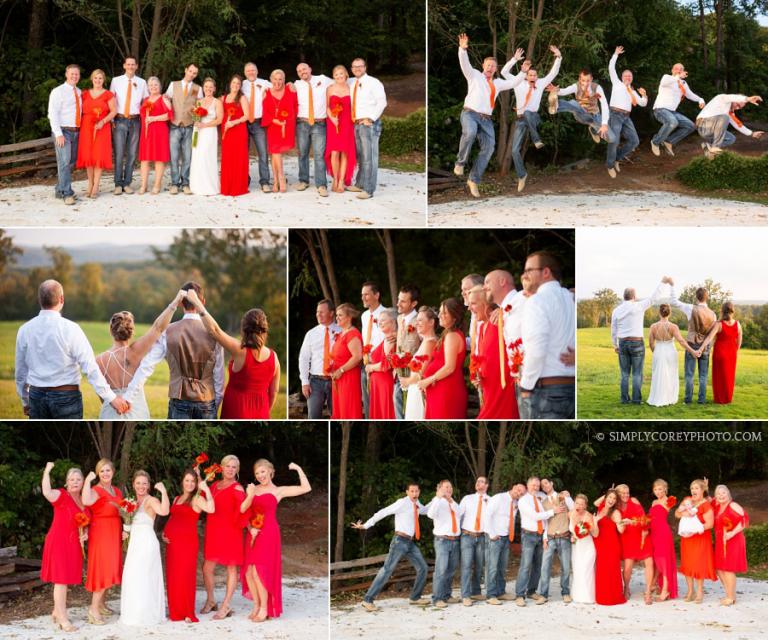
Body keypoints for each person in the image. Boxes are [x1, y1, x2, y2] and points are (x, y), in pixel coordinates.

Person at [15, 279, 129, 419]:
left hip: (36, 398)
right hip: (66, 398)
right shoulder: (71, 329)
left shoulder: (24, 330)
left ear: (39, 300)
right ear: (61, 299)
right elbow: (89, 367)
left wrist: (25, 400)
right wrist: (111, 398)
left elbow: (20, 372)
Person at [125, 281, 225, 419]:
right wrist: (215, 403)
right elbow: (219, 377)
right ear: (203, 302)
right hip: (207, 402)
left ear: (180, 303)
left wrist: (128, 397)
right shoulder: (215, 334)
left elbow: (147, 365)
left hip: (179, 402)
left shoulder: (168, 331)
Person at [185, 290, 280, 419]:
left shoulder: (239, 349)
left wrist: (196, 302)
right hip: (262, 413)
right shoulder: (274, 358)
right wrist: (263, 412)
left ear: (244, 328)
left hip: (236, 411)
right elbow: (274, 392)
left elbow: (214, 331)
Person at [454, 33, 525, 196]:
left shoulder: (498, 83)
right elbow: (464, 64)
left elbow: (513, 82)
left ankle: (473, 179)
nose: (490, 68)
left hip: (486, 120)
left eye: (493, 66)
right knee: (470, 132)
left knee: (489, 148)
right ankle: (460, 163)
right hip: (470, 114)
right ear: (483, 65)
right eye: (488, 65)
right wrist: (463, 49)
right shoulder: (474, 76)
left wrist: (520, 68)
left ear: (496, 69)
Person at [95, 291, 186, 419]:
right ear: (131, 332)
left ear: (111, 330)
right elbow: (158, 328)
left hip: (109, 412)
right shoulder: (135, 351)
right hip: (136, 410)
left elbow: (102, 394)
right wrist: (175, 302)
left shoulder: (98, 360)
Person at [240, 459, 311, 621]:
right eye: (257, 473)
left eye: (263, 471)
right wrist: (250, 529)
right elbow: (244, 512)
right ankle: (257, 605)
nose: (260, 476)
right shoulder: (252, 489)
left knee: (260, 572)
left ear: (271, 471)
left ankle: (265, 609)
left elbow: (306, 488)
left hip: (268, 533)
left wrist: (298, 468)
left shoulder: (278, 491)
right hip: (252, 533)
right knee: (249, 572)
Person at [351, 482, 430, 611]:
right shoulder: (402, 503)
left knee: (423, 567)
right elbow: (384, 512)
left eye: (416, 491)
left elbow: (425, 510)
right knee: (387, 570)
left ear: (419, 492)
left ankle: (415, 597)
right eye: (412, 491)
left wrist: (438, 498)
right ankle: (367, 600)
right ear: (407, 492)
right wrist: (365, 525)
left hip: (410, 542)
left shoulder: (417, 504)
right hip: (399, 541)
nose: (415, 494)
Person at [518, 252, 575, 419]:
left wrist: (526, 386)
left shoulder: (537, 301)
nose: (525, 275)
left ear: (546, 272)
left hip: (548, 391)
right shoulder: (571, 298)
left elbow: (537, 349)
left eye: (529, 270)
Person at [503, 45, 562, 192]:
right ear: (526, 75)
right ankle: (522, 175)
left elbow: (553, 73)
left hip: (533, 117)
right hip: (521, 120)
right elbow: (504, 72)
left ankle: (536, 140)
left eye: (535, 75)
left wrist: (558, 57)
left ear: (537, 77)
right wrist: (514, 60)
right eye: (530, 75)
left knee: (529, 112)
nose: (533, 78)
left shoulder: (540, 83)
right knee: (515, 151)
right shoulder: (517, 82)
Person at [41, 462, 89, 632]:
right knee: (61, 581)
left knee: (65, 580)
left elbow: (85, 524)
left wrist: (86, 533)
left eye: (78, 479)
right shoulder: (61, 496)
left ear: (83, 482)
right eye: (72, 479)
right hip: (58, 542)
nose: (75, 482)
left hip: (73, 545)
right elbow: (46, 491)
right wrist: (47, 471)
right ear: (66, 483)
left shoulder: (84, 501)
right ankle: (62, 618)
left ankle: (56, 611)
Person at [164, 468, 214, 623]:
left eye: (193, 481)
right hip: (172, 545)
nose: (190, 484)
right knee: (174, 576)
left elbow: (211, 509)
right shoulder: (177, 498)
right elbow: (173, 517)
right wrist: (164, 533)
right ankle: (176, 611)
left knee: (186, 576)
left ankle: (187, 611)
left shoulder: (197, 498)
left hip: (187, 543)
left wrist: (207, 490)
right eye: (187, 480)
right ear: (182, 482)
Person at [119, 470, 169, 626]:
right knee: (133, 577)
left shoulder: (151, 500)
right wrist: (125, 531)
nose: (141, 486)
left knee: (145, 577)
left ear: (149, 486)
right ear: (133, 484)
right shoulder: (131, 502)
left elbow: (164, 511)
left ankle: (146, 614)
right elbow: (129, 522)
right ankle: (134, 612)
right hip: (134, 544)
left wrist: (164, 492)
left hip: (147, 543)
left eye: (144, 483)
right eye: (138, 483)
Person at [202, 455, 246, 619]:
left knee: (231, 568)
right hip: (214, 531)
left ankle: (226, 605)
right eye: (227, 466)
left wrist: (251, 526)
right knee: (207, 568)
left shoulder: (237, 488)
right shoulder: (213, 485)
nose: (230, 469)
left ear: (237, 470)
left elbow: (244, 510)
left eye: (234, 467)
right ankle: (211, 600)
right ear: (221, 467)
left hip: (231, 533)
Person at [81, 459, 125, 625]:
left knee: (111, 567)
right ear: (98, 473)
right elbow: (85, 500)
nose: (105, 474)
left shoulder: (116, 490)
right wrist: (87, 480)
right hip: (101, 532)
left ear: (113, 472)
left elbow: (123, 510)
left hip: (114, 531)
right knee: (103, 569)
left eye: (108, 470)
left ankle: (100, 604)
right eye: (102, 471)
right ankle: (93, 609)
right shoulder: (95, 489)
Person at [610, 278, 665, 404]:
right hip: (637, 343)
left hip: (623, 343)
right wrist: (662, 283)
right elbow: (653, 298)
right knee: (637, 373)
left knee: (624, 374)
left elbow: (614, 329)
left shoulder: (616, 310)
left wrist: (615, 344)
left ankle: (624, 399)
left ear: (624, 297)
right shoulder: (639, 306)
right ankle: (636, 400)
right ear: (634, 296)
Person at [515, 477, 564, 606]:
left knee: (538, 566)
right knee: (526, 566)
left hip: (541, 535)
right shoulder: (523, 500)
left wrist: (545, 536)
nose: (535, 488)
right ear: (528, 485)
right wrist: (553, 511)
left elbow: (545, 519)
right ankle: (519, 595)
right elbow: (535, 516)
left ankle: (531, 591)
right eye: (533, 485)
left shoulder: (541, 497)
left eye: (537, 486)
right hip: (529, 535)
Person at [473, 284, 518, 419]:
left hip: (503, 389)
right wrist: (478, 376)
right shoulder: (481, 328)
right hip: (488, 390)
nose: (469, 308)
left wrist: (502, 310)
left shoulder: (501, 320)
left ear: (485, 304)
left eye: (473, 304)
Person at [418, 298, 467, 418]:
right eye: (440, 312)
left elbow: (449, 367)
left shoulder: (452, 336)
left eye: (444, 313)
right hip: (439, 390)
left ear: (454, 317)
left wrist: (428, 380)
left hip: (446, 391)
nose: (439, 315)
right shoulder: (447, 334)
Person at [669, 280, 717, 404]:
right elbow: (711, 335)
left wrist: (672, 286)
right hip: (705, 346)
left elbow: (674, 301)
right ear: (707, 298)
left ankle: (688, 400)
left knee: (689, 374)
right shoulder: (713, 314)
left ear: (696, 297)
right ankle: (701, 400)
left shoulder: (690, 308)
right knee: (703, 375)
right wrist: (707, 347)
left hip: (691, 344)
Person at [346, 58, 387, 199]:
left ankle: (369, 190)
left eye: (360, 66)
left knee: (370, 157)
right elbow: (334, 79)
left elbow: (382, 102)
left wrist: (371, 118)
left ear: (365, 67)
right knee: (362, 156)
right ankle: (360, 184)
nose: (357, 69)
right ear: (351, 69)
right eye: (354, 67)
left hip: (369, 124)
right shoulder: (351, 82)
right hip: (356, 123)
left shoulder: (374, 82)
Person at [605, 46, 647, 177]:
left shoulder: (633, 91)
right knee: (614, 141)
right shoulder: (617, 83)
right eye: (626, 75)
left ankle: (617, 158)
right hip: (615, 115)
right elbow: (611, 68)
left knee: (635, 141)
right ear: (622, 77)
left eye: (630, 76)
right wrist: (616, 54)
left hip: (626, 117)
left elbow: (642, 103)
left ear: (632, 78)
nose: (628, 77)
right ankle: (610, 165)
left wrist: (644, 95)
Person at [110, 56, 149, 194]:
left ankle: (127, 183)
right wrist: (111, 120)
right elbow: (111, 101)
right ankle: (117, 184)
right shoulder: (116, 81)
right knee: (119, 153)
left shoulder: (142, 82)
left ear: (136, 66)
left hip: (135, 120)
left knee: (132, 154)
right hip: (120, 120)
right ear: (124, 66)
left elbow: (146, 102)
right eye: (128, 64)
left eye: (133, 64)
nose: (131, 66)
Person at [647, 303, 699, 407]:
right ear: (669, 313)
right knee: (670, 374)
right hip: (670, 352)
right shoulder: (673, 327)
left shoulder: (653, 326)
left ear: (659, 313)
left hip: (658, 351)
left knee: (658, 374)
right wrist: (692, 351)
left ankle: (658, 397)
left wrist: (656, 352)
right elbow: (682, 341)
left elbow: (651, 343)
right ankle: (669, 398)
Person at [76, 68, 116, 198]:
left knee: (98, 155)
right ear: (92, 79)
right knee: (89, 156)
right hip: (86, 127)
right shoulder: (85, 94)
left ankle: (96, 186)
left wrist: (103, 121)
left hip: (101, 127)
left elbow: (114, 111)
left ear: (103, 80)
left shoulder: (108, 94)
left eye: (100, 78)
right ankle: (90, 184)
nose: (98, 80)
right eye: (95, 78)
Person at [650, 62, 705, 157]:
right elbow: (664, 83)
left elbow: (690, 94)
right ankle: (655, 142)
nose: (678, 70)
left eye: (680, 69)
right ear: (672, 70)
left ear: (683, 71)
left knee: (691, 126)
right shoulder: (667, 77)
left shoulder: (683, 83)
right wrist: (677, 77)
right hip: (660, 109)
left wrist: (700, 99)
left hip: (672, 112)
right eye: (676, 68)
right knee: (673, 122)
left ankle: (669, 142)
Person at [295, 62, 332, 196]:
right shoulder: (296, 85)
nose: (302, 71)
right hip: (302, 124)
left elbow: (341, 82)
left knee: (319, 155)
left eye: (304, 68)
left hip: (319, 124)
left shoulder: (324, 80)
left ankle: (321, 184)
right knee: (302, 153)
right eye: (299, 71)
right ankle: (303, 180)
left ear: (310, 68)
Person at [676, 478, 716, 602]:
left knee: (698, 564)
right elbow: (677, 513)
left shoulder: (706, 505)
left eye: (696, 488)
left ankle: (699, 592)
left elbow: (710, 524)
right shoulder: (687, 500)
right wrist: (683, 514)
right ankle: (690, 591)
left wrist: (695, 528)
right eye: (692, 488)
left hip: (700, 538)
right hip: (687, 539)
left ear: (702, 490)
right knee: (687, 563)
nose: (693, 490)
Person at [484, 483, 525, 605]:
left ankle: (500, 592)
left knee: (502, 567)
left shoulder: (516, 503)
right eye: (518, 490)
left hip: (506, 538)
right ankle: (491, 595)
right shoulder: (498, 498)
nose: (519, 493)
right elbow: (487, 515)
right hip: (495, 537)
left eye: (522, 493)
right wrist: (491, 534)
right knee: (492, 567)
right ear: (513, 487)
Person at [165, 63, 203, 194]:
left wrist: (197, 117)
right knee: (174, 156)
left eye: (195, 73)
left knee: (187, 156)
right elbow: (166, 99)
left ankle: (185, 183)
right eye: (190, 71)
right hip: (175, 125)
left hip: (189, 126)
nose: (192, 74)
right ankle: (175, 183)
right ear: (185, 70)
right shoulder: (173, 85)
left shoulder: (198, 88)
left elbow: (200, 107)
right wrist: (168, 113)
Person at [535, 479, 575, 604]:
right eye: (542, 485)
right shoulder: (543, 502)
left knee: (566, 567)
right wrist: (545, 538)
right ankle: (543, 594)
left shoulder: (564, 496)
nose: (544, 486)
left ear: (552, 483)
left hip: (564, 537)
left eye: (546, 483)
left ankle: (565, 592)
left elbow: (573, 513)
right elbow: (545, 522)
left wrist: (573, 532)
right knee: (545, 567)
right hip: (550, 538)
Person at [299, 299, 340, 418]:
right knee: (313, 417)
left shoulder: (341, 331)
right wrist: (304, 382)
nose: (318, 315)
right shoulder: (311, 334)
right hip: (315, 382)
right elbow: (304, 358)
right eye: (317, 312)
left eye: (322, 312)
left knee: (337, 416)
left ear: (331, 313)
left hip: (336, 381)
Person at [48, 64, 82, 205]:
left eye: (77, 74)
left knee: (71, 162)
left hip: (76, 131)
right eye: (72, 73)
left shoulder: (79, 92)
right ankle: (67, 193)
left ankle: (59, 189)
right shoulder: (58, 91)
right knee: (65, 162)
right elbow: (52, 113)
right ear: (66, 74)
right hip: (63, 132)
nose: (74, 76)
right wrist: (58, 134)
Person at [614, 484, 654, 603]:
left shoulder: (634, 501)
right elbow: (599, 505)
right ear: (618, 494)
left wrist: (631, 521)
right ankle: (626, 587)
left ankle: (647, 592)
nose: (626, 495)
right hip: (627, 539)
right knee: (627, 568)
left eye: (627, 492)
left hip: (641, 536)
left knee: (649, 563)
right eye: (622, 493)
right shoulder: (615, 506)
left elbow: (644, 519)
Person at [398, 306, 438, 420]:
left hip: (419, 389)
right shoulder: (425, 341)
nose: (417, 323)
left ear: (431, 322)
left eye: (420, 320)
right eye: (416, 320)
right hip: (414, 388)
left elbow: (422, 372)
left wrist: (407, 381)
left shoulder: (430, 342)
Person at [698, 301, 742, 404]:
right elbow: (739, 341)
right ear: (732, 311)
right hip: (732, 354)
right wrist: (735, 351)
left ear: (722, 311)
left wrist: (701, 348)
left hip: (720, 353)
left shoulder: (719, 324)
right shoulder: (738, 324)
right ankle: (727, 398)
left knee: (719, 377)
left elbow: (709, 338)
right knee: (729, 376)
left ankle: (719, 399)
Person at [262, 69, 298, 193]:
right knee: (275, 152)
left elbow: (295, 108)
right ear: (271, 79)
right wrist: (273, 120)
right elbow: (265, 111)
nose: (277, 82)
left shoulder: (290, 90)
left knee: (275, 153)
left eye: (280, 79)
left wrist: (286, 121)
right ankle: (280, 178)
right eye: (275, 79)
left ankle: (278, 178)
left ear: (284, 80)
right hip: (272, 126)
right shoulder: (266, 92)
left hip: (284, 125)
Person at [427, 480, 462, 607]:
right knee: (441, 570)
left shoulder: (454, 503)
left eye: (450, 487)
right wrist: (438, 497)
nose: (449, 489)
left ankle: (447, 595)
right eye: (446, 487)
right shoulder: (437, 501)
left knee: (451, 570)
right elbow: (430, 514)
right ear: (440, 488)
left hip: (455, 540)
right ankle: (437, 598)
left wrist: (451, 501)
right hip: (442, 540)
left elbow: (459, 514)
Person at [713, 484, 748, 606]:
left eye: (723, 493)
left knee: (728, 568)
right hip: (720, 540)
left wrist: (732, 533)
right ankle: (729, 593)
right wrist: (706, 489)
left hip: (733, 540)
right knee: (719, 568)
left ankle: (730, 597)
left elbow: (744, 520)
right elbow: (707, 502)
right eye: (718, 493)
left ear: (728, 494)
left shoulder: (733, 505)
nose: (721, 495)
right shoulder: (718, 507)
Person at [696, 94, 763, 158]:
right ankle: (715, 148)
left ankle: (708, 147)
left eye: (739, 107)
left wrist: (752, 133)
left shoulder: (729, 112)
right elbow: (731, 97)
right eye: (737, 104)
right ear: (734, 100)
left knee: (731, 138)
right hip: (703, 125)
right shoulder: (722, 98)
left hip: (710, 132)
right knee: (725, 117)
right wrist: (747, 99)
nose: (737, 108)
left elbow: (738, 125)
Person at [458, 476, 490, 606]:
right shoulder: (468, 498)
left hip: (482, 536)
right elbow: (458, 515)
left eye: (481, 482)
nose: (478, 483)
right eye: (477, 481)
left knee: (479, 565)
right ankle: (466, 595)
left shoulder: (491, 500)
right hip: (467, 535)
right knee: (466, 566)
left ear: (487, 485)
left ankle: (476, 592)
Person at [138, 76, 172, 194]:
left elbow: (169, 115)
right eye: (151, 85)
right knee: (145, 159)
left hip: (159, 132)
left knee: (159, 159)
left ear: (160, 86)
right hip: (146, 133)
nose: (153, 87)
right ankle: (143, 185)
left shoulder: (164, 98)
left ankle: (157, 185)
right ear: (148, 87)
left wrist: (154, 118)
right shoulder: (145, 100)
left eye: (155, 85)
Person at [325, 65, 356, 193]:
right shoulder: (330, 89)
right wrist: (332, 118)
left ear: (346, 75)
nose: (339, 76)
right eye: (336, 74)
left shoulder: (351, 89)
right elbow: (327, 106)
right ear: (333, 76)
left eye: (341, 74)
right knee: (334, 152)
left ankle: (342, 181)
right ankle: (335, 179)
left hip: (347, 123)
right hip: (334, 123)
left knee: (345, 152)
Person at [189, 77, 222, 195]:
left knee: (207, 156)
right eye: (206, 87)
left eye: (210, 87)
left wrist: (205, 124)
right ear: (203, 88)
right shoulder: (199, 101)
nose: (208, 89)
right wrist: (195, 119)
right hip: (198, 132)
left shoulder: (217, 102)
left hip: (209, 132)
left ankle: (210, 186)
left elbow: (219, 120)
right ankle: (197, 185)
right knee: (197, 157)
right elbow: (195, 117)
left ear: (214, 89)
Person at [243, 62, 273, 192]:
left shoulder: (265, 83)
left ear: (257, 71)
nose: (251, 72)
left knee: (263, 153)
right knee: (243, 153)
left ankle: (264, 181)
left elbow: (279, 88)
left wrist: (290, 85)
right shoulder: (241, 84)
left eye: (253, 70)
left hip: (259, 122)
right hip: (243, 123)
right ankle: (244, 180)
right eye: (248, 70)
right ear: (245, 72)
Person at [330, 303, 364, 419]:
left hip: (348, 376)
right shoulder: (341, 333)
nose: (337, 318)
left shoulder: (352, 334)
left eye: (340, 315)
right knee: (340, 410)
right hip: (338, 377)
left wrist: (341, 370)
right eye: (337, 315)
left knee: (348, 409)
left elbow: (357, 356)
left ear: (349, 317)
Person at [393, 284, 421, 419]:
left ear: (413, 303)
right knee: (397, 403)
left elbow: (427, 342)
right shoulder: (399, 319)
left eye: (403, 301)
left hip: (414, 374)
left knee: (410, 410)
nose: (398, 304)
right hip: (399, 373)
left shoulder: (419, 321)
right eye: (399, 299)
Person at [593, 489, 626, 605]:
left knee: (611, 571)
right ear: (605, 497)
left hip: (610, 545)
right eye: (610, 497)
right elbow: (595, 503)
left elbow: (621, 530)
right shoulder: (601, 508)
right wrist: (609, 492)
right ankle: (602, 596)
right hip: (600, 545)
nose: (611, 500)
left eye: (614, 498)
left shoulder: (615, 512)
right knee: (602, 571)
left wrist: (621, 524)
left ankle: (612, 597)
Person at [220, 74, 250, 196]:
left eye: (238, 84)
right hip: (226, 132)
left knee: (238, 158)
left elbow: (247, 116)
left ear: (240, 86)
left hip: (238, 130)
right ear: (230, 84)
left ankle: (238, 186)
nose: (235, 85)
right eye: (234, 83)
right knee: (228, 158)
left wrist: (234, 122)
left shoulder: (242, 98)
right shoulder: (224, 98)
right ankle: (227, 186)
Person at [648, 479, 678, 601]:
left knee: (663, 560)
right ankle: (655, 584)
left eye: (660, 489)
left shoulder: (670, 500)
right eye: (655, 489)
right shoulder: (654, 502)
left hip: (663, 532)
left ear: (665, 489)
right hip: (653, 533)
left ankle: (665, 590)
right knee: (656, 559)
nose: (658, 492)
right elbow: (649, 518)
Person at [365, 307, 397, 419]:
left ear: (393, 322)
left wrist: (370, 367)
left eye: (383, 320)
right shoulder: (387, 338)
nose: (380, 322)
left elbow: (387, 365)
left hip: (385, 384)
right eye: (379, 320)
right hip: (378, 385)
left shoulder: (391, 340)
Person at [360, 281, 385, 416]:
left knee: (380, 405)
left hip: (380, 365)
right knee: (367, 404)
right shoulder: (364, 316)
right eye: (362, 295)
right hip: (365, 365)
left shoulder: (385, 314)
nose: (363, 298)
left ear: (376, 295)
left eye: (366, 295)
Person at [568, 494, 597, 604]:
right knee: (577, 570)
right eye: (577, 503)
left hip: (588, 546)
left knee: (586, 570)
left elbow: (591, 532)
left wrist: (576, 535)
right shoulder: (570, 513)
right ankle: (578, 596)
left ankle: (588, 597)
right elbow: (571, 530)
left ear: (585, 506)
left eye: (582, 504)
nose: (579, 505)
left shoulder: (588, 516)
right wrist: (572, 536)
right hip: (576, 547)